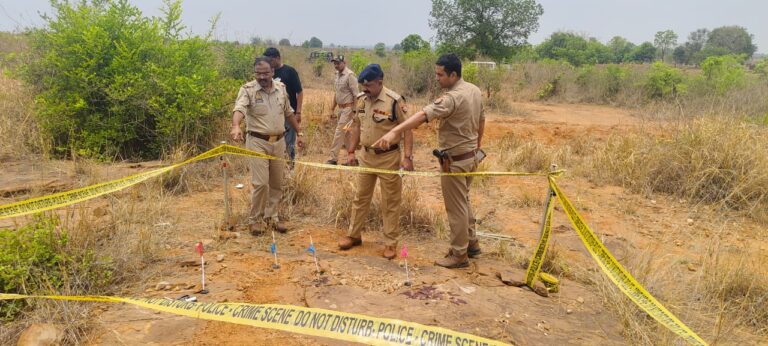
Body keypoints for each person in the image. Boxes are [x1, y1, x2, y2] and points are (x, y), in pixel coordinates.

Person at [372, 53, 485, 268]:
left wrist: (394, 132)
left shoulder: (452, 98)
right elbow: (482, 121)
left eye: (440, 75)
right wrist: (476, 146)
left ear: (453, 75)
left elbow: (423, 115)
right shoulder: (474, 90)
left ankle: (459, 254)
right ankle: (472, 244)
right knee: (464, 201)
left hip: (455, 161)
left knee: (456, 208)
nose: (437, 78)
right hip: (470, 157)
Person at [338, 64, 413, 259]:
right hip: (366, 157)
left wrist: (407, 157)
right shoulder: (362, 100)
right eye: (363, 85)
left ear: (380, 82)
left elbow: (407, 129)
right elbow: (356, 126)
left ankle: (390, 243)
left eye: (369, 85)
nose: (365, 89)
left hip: (388, 158)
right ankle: (353, 235)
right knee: (360, 198)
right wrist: (351, 151)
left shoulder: (394, 101)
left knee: (390, 203)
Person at [230, 57, 304, 235]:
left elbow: (289, 112)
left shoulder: (281, 89)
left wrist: (299, 133)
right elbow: (239, 108)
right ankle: (255, 220)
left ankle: (272, 217)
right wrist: (236, 126)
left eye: (265, 73)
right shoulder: (248, 90)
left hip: (279, 142)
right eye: (258, 73)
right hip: (257, 142)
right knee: (261, 183)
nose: (262, 77)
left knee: (277, 183)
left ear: (273, 72)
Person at [263, 47, 303, 168]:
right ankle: (276, 167)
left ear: (277, 58)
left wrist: (298, 112)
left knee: (289, 142)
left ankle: (290, 167)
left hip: (288, 114)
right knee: (273, 141)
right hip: (272, 115)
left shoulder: (290, 71)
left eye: (270, 60)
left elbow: (299, 92)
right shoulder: (268, 73)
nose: (269, 63)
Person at [327, 55, 359, 165]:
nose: (336, 65)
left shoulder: (350, 76)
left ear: (344, 62)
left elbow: (356, 95)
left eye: (338, 63)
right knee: (346, 135)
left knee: (339, 132)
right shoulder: (337, 75)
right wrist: (332, 109)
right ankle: (352, 159)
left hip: (349, 109)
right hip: (340, 109)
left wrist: (355, 111)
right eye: (334, 63)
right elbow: (337, 93)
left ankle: (333, 158)